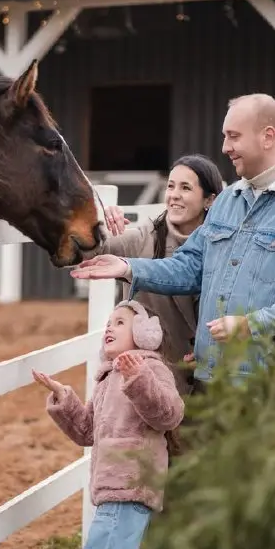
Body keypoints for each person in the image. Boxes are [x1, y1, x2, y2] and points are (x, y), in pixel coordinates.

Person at [70, 94, 275, 387]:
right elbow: (189, 266)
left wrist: (254, 324)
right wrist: (128, 267)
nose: (225, 147)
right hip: (210, 381)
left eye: (233, 136)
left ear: (267, 137)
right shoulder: (228, 200)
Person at [32, 300, 184, 549]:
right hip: (112, 490)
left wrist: (138, 378)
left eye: (120, 322)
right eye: (109, 322)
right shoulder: (106, 378)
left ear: (145, 334)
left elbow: (169, 414)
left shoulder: (150, 368)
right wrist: (63, 398)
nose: (109, 327)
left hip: (129, 486)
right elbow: (87, 431)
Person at [100, 154, 223, 394]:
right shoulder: (143, 240)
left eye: (185, 188)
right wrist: (97, 220)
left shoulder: (225, 249)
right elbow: (86, 249)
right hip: (147, 386)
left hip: (208, 386)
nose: (174, 195)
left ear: (209, 200)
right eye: (171, 186)